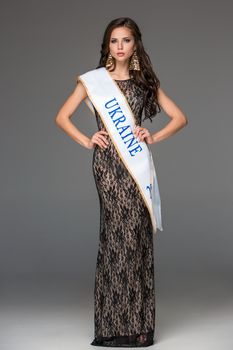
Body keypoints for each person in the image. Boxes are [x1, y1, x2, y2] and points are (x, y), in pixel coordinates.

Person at [55, 17, 188, 347]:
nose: (119, 46)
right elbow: (61, 117)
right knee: (115, 237)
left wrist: (152, 135)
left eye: (126, 40)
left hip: (135, 167)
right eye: (114, 41)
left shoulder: (144, 84)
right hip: (108, 168)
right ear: (107, 45)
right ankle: (111, 327)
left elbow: (180, 118)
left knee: (137, 238)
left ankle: (139, 326)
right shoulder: (93, 82)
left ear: (135, 45)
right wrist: (88, 140)